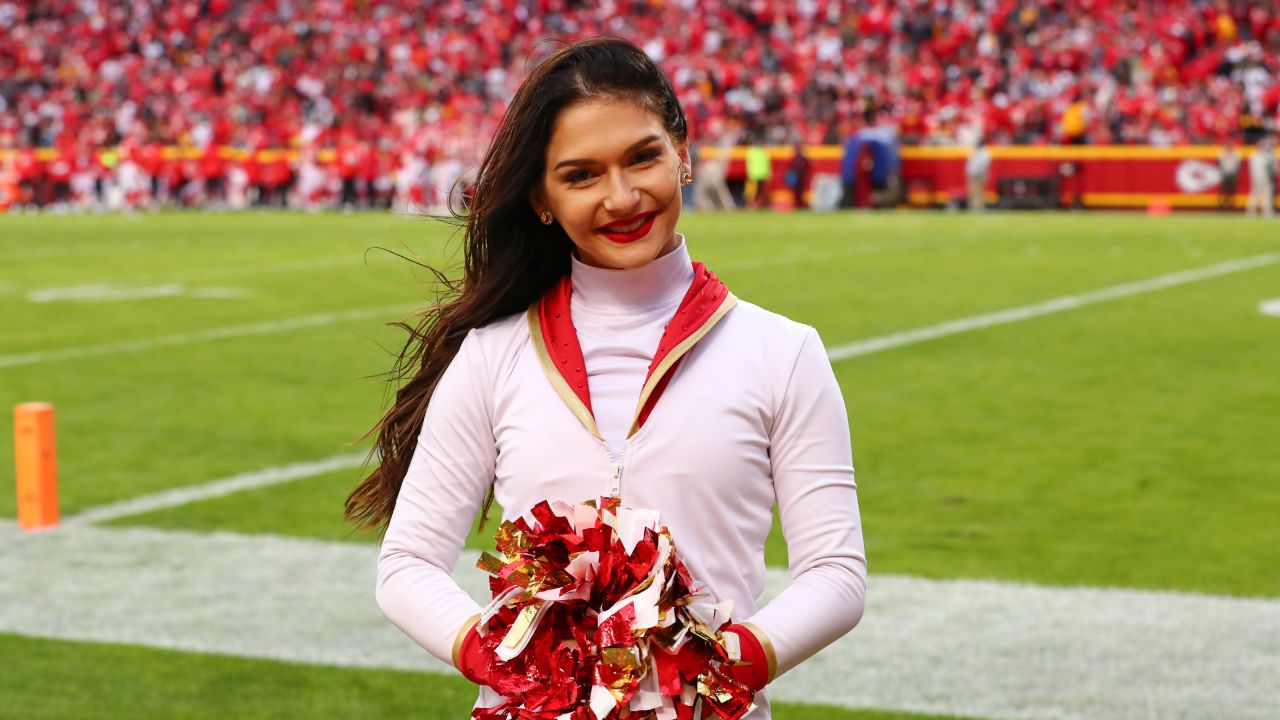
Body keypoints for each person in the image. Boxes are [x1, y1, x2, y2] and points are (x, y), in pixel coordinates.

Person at [346, 37, 866, 719]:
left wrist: (718, 664)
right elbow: (408, 562)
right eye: (581, 175)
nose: (622, 197)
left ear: (682, 152)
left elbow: (836, 574)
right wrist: (501, 655)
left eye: (642, 157)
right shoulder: (493, 354)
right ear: (541, 198)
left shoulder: (783, 352)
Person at [1244, 135, 1276, 218]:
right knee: (1257, 194)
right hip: (1260, 179)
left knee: (1266, 194)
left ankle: (1266, 211)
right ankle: (1251, 211)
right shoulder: (1256, 156)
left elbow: (1272, 167)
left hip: (1265, 178)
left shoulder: (1266, 155)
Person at [1217, 138, 1241, 211]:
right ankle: (1223, 205)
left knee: (1232, 191)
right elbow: (1220, 164)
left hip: (1232, 174)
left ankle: (1231, 205)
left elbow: (1237, 165)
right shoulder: (1222, 153)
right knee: (1224, 191)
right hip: (1225, 174)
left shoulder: (1236, 153)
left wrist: (1234, 173)